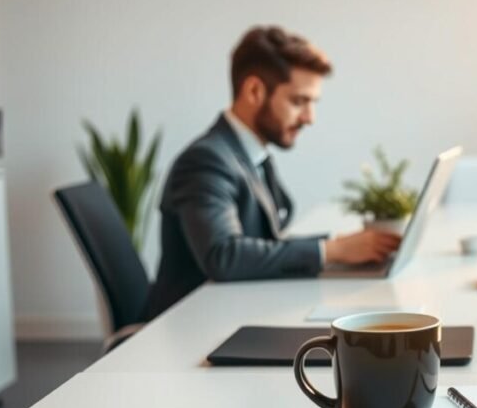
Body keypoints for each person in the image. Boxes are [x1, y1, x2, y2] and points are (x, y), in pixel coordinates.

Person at [142, 26, 400, 320]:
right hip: (194, 325)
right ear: (254, 91)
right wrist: (332, 251)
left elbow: (263, 241)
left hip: (235, 310)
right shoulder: (206, 160)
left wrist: (344, 246)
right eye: (299, 101)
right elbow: (223, 255)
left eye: (313, 103)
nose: (309, 118)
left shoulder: (251, 153)